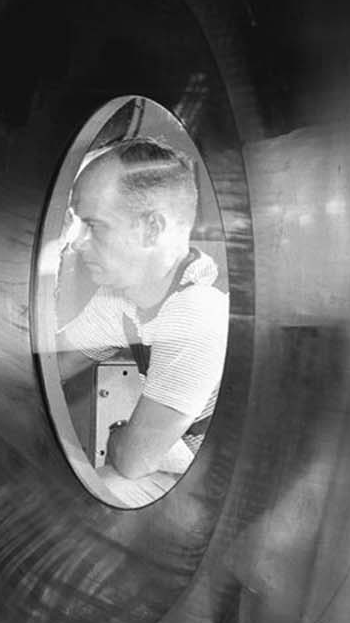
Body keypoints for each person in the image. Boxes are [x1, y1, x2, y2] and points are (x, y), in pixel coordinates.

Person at [56, 137, 229, 505]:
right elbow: (49, 366)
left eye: (94, 226)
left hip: (233, 496)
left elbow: (135, 460)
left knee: (104, 494)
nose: (76, 242)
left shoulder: (197, 312)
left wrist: (120, 435)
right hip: (182, 472)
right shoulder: (122, 297)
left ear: (152, 229)